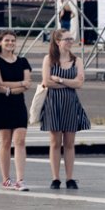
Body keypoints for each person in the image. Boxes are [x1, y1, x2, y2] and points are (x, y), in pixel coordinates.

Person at [42, 28, 90, 190]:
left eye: (71, 39)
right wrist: (69, 83)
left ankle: (70, 178)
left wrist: (61, 80)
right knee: (55, 142)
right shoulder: (49, 59)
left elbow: (80, 83)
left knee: (69, 143)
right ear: (57, 41)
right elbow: (47, 82)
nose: (70, 41)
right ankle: (55, 178)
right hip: (53, 103)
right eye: (67, 39)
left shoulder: (77, 60)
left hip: (70, 103)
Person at [0, 31, 33, 191]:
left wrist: (10, 88)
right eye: (7, 40)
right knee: (5, 140)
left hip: (18, 103)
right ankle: (6, 179)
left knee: (20, 140)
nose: (10, 43)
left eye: (13, 40)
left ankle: (21, 179)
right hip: (0, 104)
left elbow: (28, 84)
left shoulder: (23, 61)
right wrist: (18, 84)